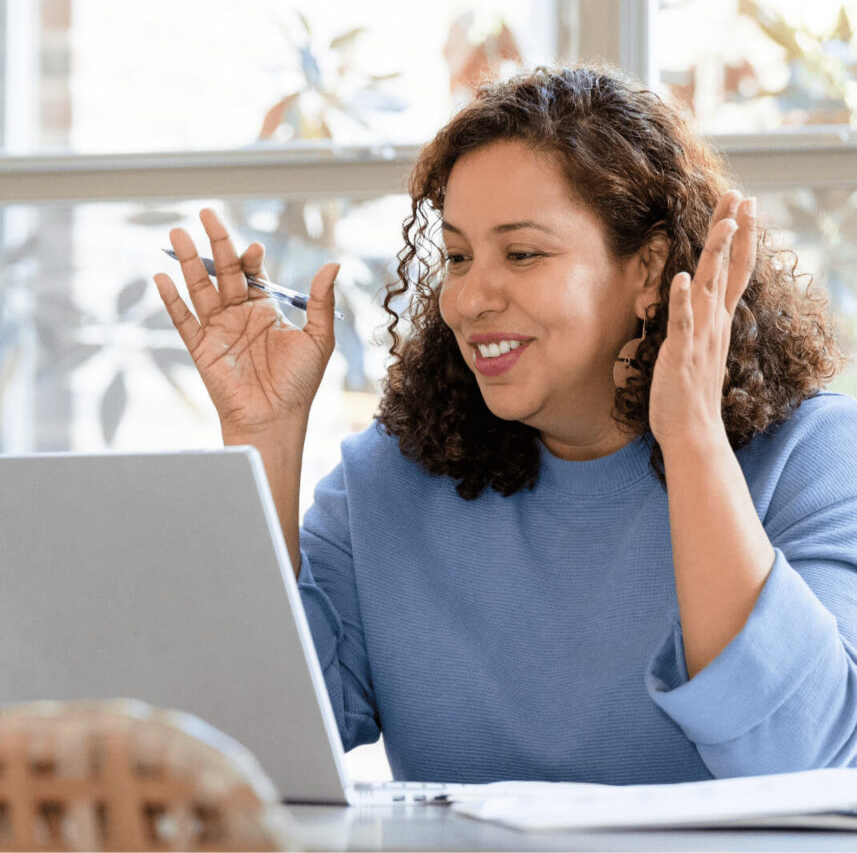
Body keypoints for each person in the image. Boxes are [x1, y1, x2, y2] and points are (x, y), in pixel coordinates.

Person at [154, 64, 857, 787]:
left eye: (522, 254)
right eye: (458, 257)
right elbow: (245, 752)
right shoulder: (390, 478)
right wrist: (264, 438)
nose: (468, 298)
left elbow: (802, 761)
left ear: (647, 270)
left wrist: (693, 441)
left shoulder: (814, 458)